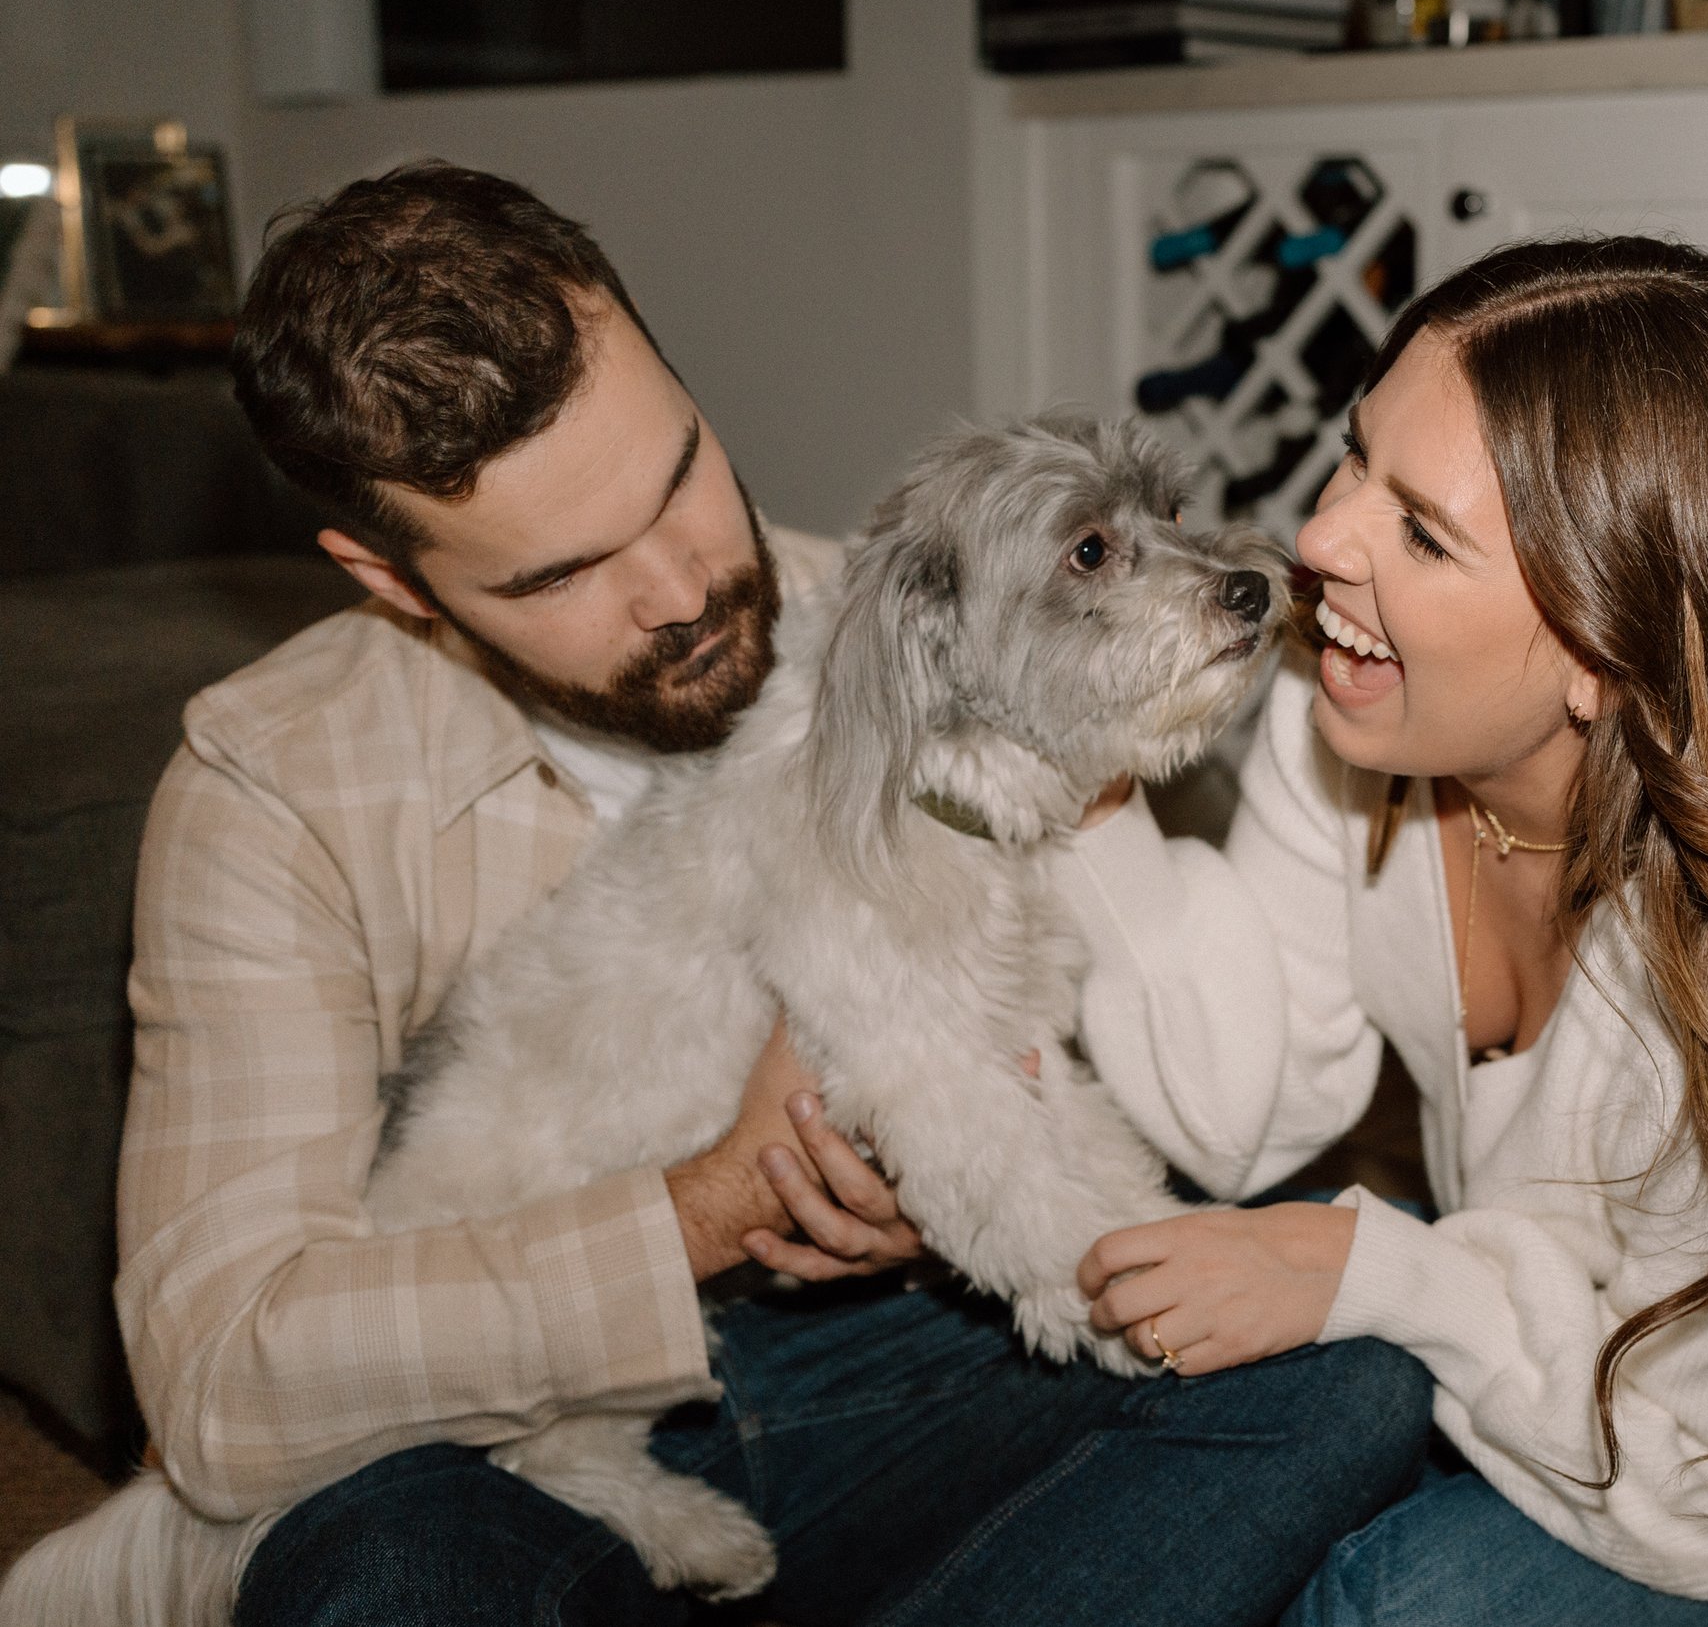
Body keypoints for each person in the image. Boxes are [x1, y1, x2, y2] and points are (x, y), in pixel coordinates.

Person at [110, 161, 1428, 1627]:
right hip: (501, 1418)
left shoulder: (913, 617)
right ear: (395, 578)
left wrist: (940, 1191)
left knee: (1354, 1350)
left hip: (891, 1347)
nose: (680, 586)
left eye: (679, 470)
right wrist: (702, 1209)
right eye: (561, 574)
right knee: (388, 1580)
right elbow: (224, 1387)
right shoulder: (266, 788)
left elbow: (1057, 1084)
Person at [1046, 236, 1708, 1624]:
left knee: (1385, 1603)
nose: (1317, 537)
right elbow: (1242, 1118)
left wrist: (1378, 1269)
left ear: (1601, 656)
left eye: (1421, 531)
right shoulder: (1347, 729)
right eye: (1353, 457)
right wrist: (1076, 785)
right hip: (1536, 1305)